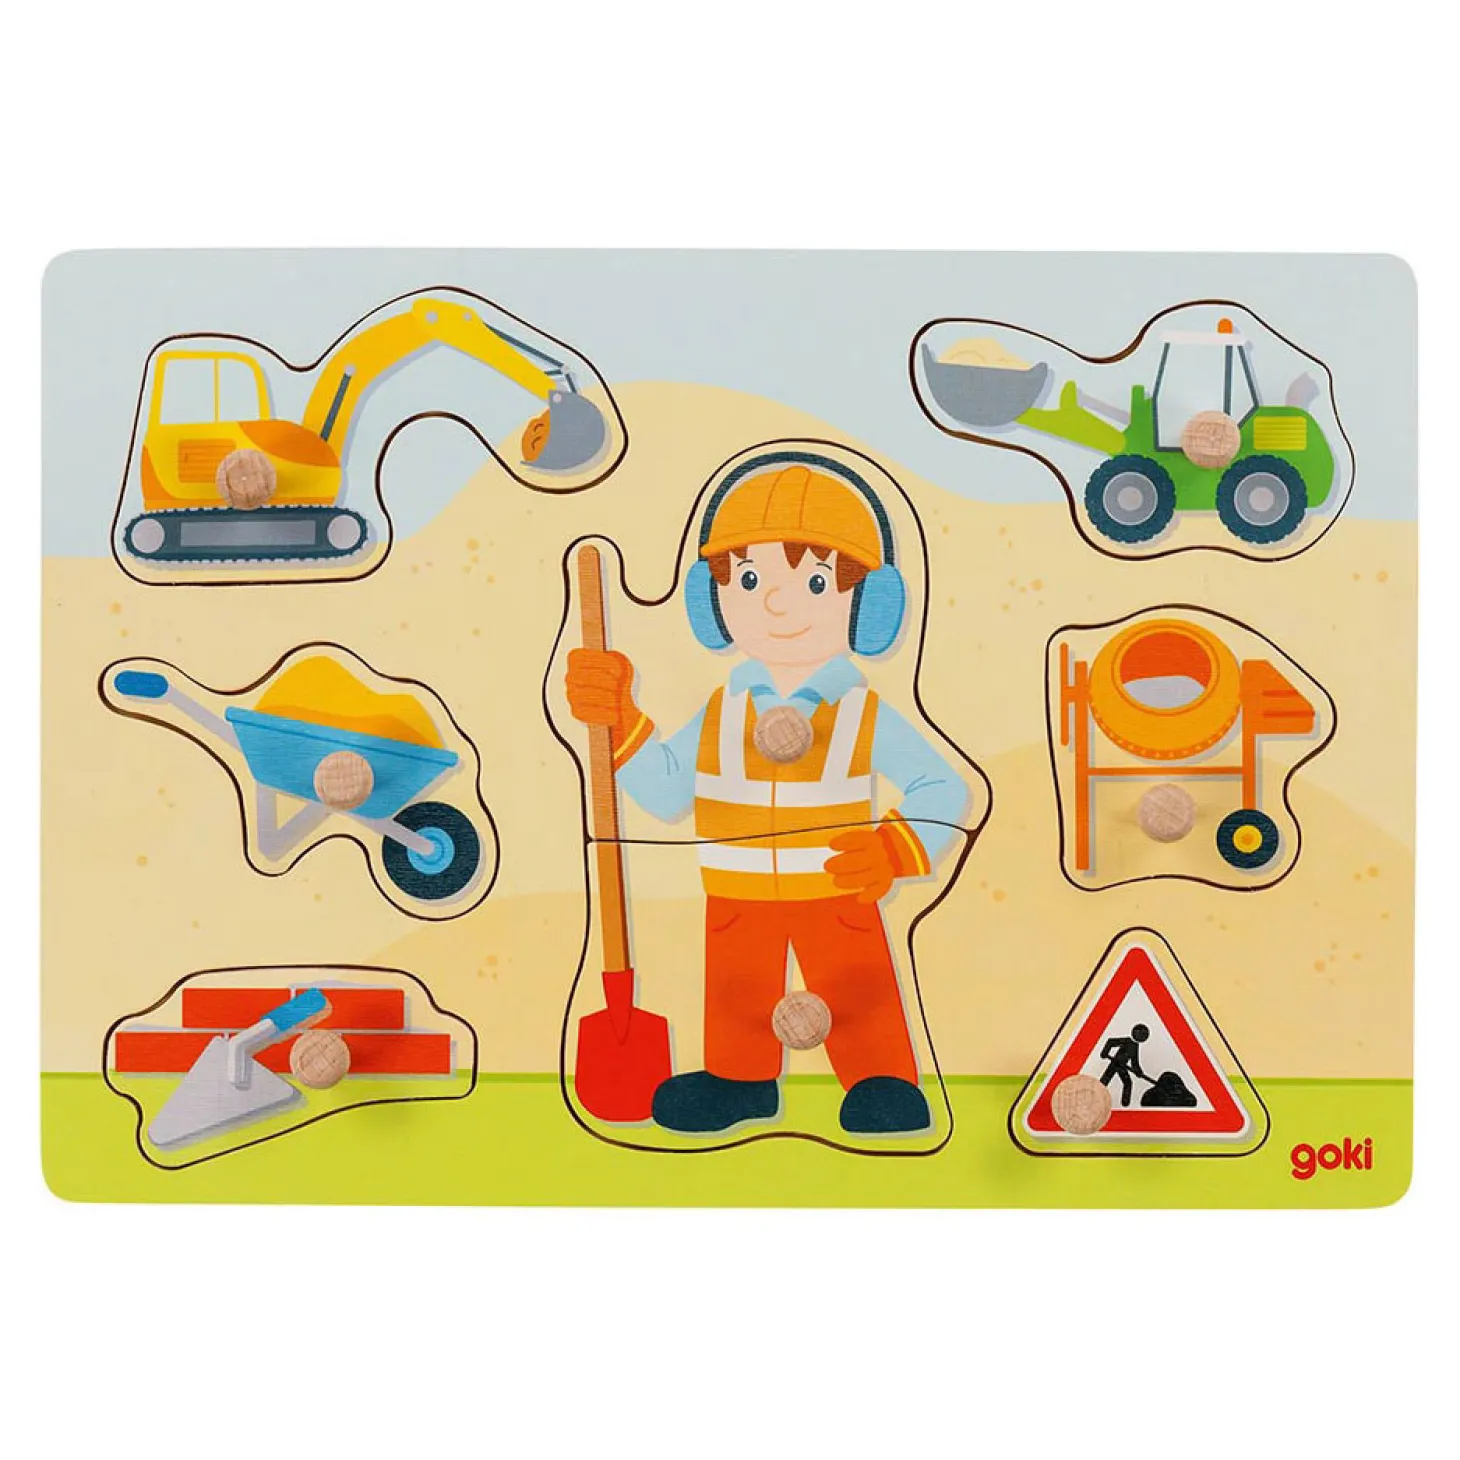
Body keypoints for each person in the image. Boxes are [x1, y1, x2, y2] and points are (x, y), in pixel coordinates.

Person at [565, 454, 970, 1134]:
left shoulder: (860, 711)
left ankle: (882, 1079)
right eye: (749, 579)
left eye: (816, 581)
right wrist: (619, 720)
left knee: (857, 985)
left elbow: (942, 786)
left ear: (870, 604)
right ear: (711, 600)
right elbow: (664, 792)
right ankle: (739, 1079)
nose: (778, 604)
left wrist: (895, 849)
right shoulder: (721, 710)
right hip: (735, 895)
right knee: (736, 989)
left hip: (837, 888)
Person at [1099, 1023, 1151, 1107]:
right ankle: (1095, 1097)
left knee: (1128, 1083)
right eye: (1141, 1034)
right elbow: (1110, 1041)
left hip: (1122, 1066)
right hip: (1115, 1063)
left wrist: (1138, 1072)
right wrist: (1105, 1052)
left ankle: (1125, 1103)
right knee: (1105, 1081)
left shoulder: (1135, 1046)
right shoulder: (1127, 1041)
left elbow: (1134, 1062)